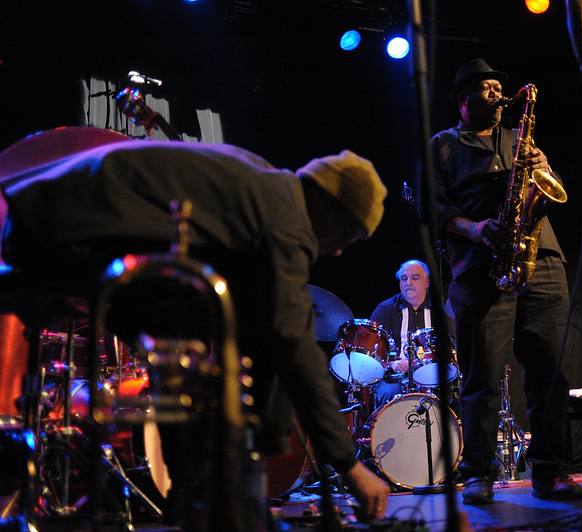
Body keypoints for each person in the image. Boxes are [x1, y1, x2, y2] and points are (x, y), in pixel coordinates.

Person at [0, 134, 391, 523]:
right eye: (346, 233)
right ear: (323, 199)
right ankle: (227, 487)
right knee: (271, 331)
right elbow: (293, 342)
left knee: (217, 329)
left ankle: (202, 491)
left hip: (47, 215)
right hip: (62, 227)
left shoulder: (264, 186)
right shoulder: (285, 218)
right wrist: (348, 464)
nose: (339, 250)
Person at [425, 58, 582, 504]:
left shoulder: (520, 140)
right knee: (483, 378)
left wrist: (544, 166)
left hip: (541, 257)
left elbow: (550, 191)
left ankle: (550, 470)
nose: (497, 92)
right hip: (481, 267)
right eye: (487, 88)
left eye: (499, 86)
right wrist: (475, 229)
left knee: (551, 370)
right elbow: (434, 209)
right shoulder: (442, 145)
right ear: (463, 100)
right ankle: (478, 472)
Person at [369, 259, 456, 406]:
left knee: (456, 396)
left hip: (434, 378)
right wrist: (391, 363)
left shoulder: (440, 312)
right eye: (403, 279)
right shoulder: (386, 310)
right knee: (386, 393)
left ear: (427, 282)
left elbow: (455, 345)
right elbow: (372, 350)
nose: (408, 282)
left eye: (415, 278)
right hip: (396, 379)